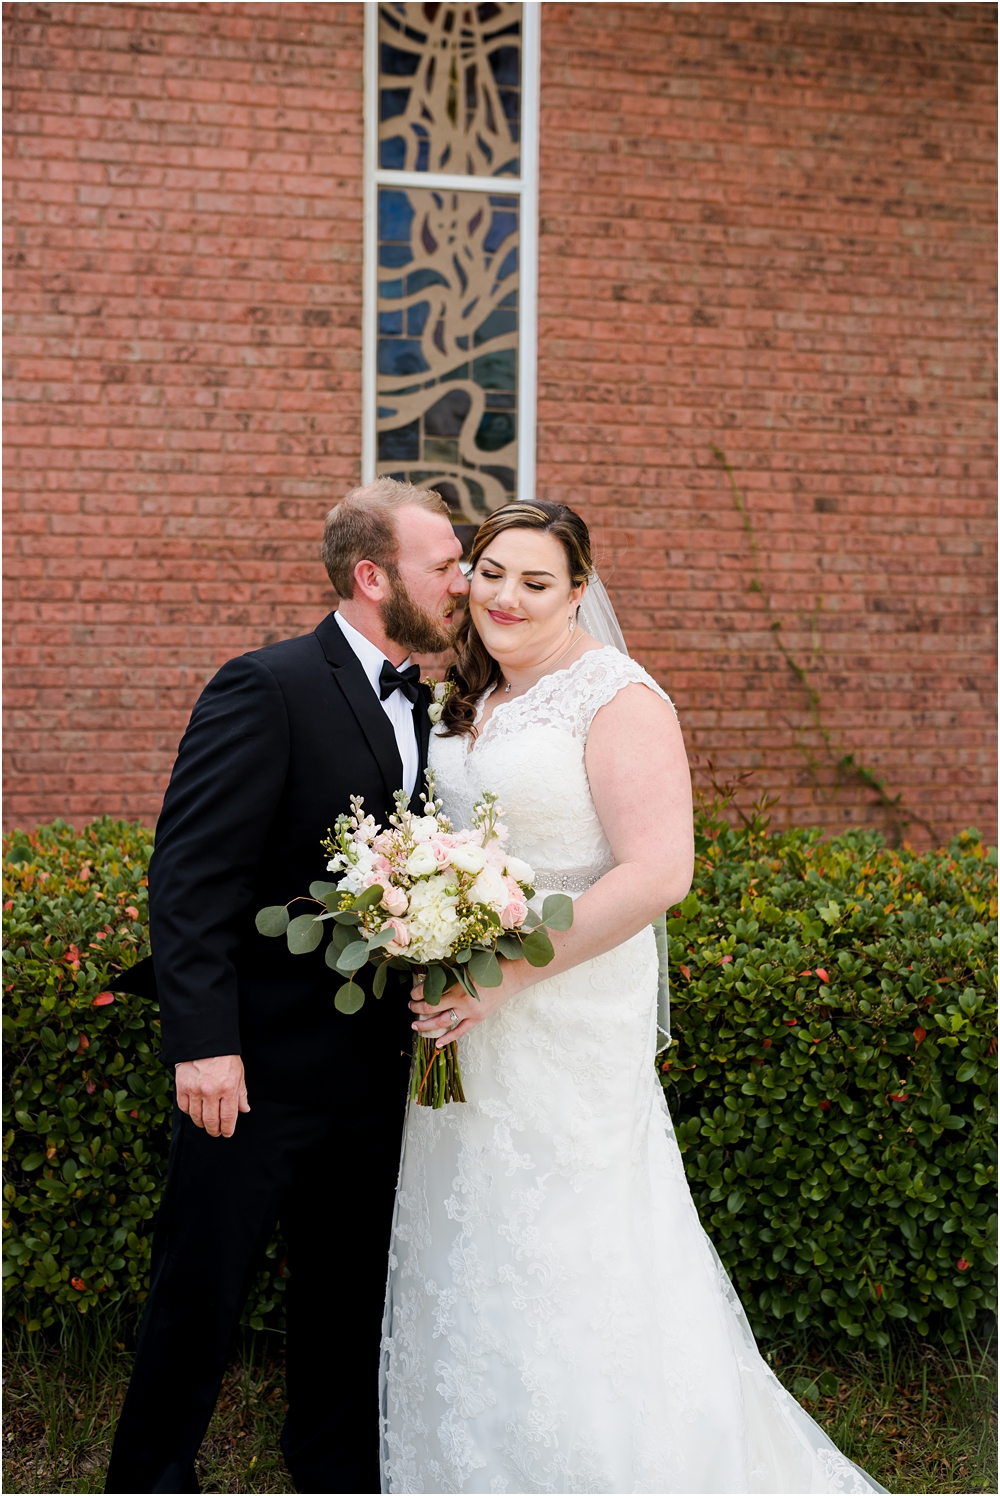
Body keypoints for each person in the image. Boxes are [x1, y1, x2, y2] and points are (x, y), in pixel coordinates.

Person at [382, 500, 886, 1495]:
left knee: (574, 1247)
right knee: (470, 1236)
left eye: (536, 581)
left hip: (559, 1011)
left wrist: (503, 970)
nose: (507, 597)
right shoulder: (460, 698)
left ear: (578, 591)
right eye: (491, 573)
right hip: (463, 1020)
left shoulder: (616, 695)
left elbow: (658, 871)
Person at [105, 478, 469, 1495]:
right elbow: (191, 875)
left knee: (346, 1296)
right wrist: (201, 1044)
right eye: (442, 563)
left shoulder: (435, 706)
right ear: (370, 575)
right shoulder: (264, 686)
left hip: (373, 1068)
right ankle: (148, 1476)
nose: (462, 582)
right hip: (253, 1068)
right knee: (199, 1292)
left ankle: (333, 1471)